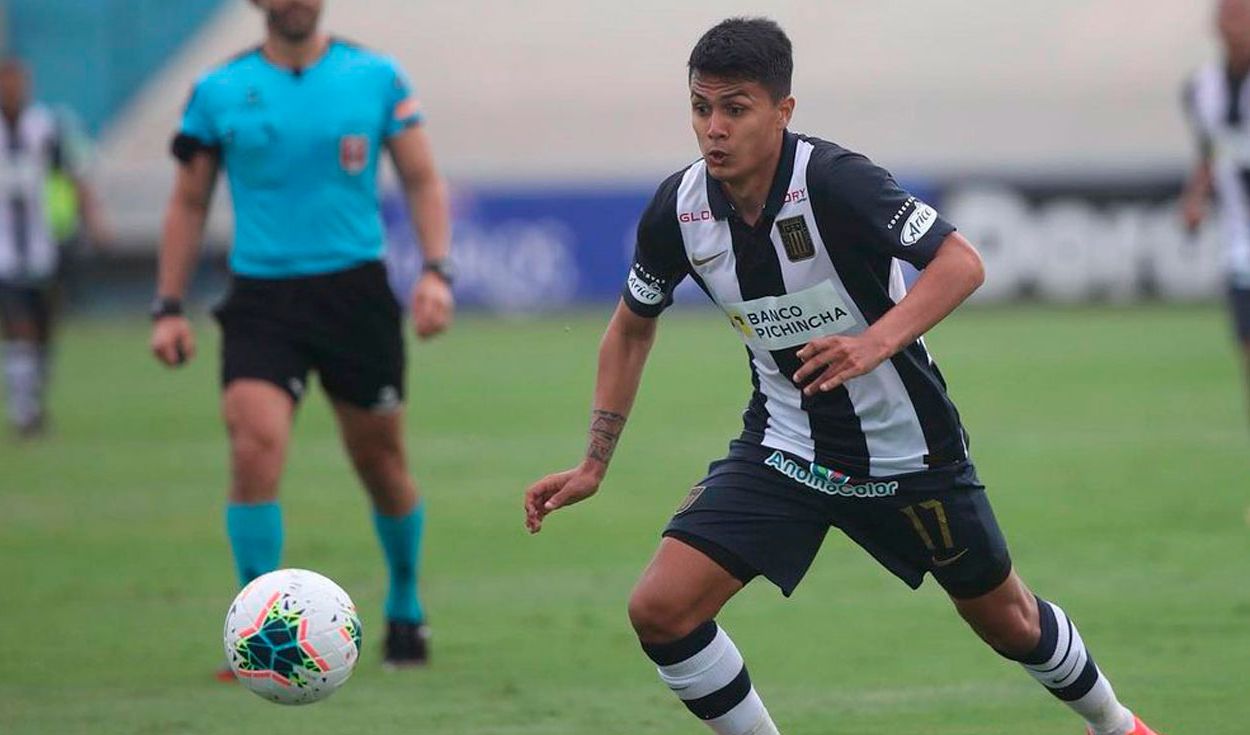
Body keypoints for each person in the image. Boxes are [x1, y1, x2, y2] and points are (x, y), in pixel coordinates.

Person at [524, 18, 1162, 735]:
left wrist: (873, 343)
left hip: (907, 450)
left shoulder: (835, 181)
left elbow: (961, 262)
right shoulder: (678, 210)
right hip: (786, 447)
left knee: (1006, 618)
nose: (714, 128)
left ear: (783, 111)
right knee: (661, 609)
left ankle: (1118, 725)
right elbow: (630, 327)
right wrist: (594, 462)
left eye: (735, 108)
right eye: (701, 108)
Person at [150, 0, 453, 669]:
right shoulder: (217, 89)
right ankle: (255, 631)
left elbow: (422, 178)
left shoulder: (377, 76)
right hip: (262, 298)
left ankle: (405, 600)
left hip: (354, 296)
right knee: (254, 445)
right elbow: (189, 201)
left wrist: (436, 272)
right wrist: (168, 305)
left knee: (381, 462)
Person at [0, 57, 107, 438]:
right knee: (19, 328)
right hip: (4, 254)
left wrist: (93, 221)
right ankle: (24, 413)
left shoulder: (45, 126)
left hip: (44, 247)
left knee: (44, 332)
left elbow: (75, 174)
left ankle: (34, 400)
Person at [1182, 0, 1250, 424]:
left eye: (1242, 16)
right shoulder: (1202, 88)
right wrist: (1195, 198)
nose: (1235, 26)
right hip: (1240, 245)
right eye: (1228, 16)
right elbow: (1210, 152)